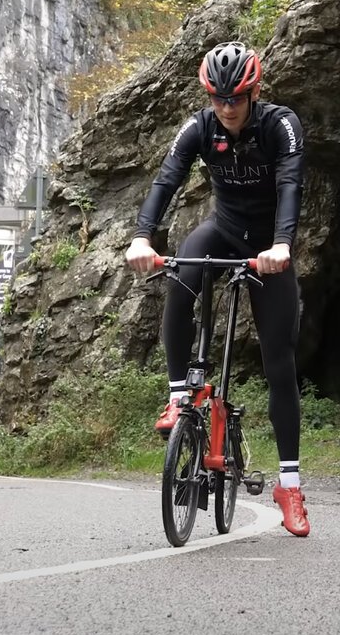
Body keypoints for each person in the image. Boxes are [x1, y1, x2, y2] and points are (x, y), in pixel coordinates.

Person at [125, 41, 310, 537]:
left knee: (279, 359)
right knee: (181, 271)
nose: (226, 108)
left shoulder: (279, 125)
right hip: (223, 229)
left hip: (269, 244)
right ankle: (179, 395)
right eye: (217, 99)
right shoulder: (199, 127)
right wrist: (143, 236)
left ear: (253, 93)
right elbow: (166, 181)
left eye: (235, 98)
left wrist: (282, 245)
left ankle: (289, 484)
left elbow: (292, 184)